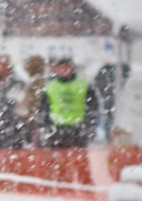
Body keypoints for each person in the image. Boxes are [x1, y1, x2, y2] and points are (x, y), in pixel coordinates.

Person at [39, 55, 100, 186]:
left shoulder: (83, 84)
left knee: (81, 162)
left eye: (67, 67)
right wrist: (47, 126)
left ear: (72, 68)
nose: (65, 70)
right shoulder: (51, 86)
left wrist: (89, 125)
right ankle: (61, 186)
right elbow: (43, 108)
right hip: (57, 129)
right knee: (59, 163)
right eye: (62, 67)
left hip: (78, 129)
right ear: (57, 69)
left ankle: (86, 187)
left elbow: (93, 106)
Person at [93, 62, 131, 144]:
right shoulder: (111, 74)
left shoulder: (105, 73)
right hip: (110, 103)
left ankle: (109, 139)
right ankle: (109, 139)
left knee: (108, 121)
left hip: (109, 103)